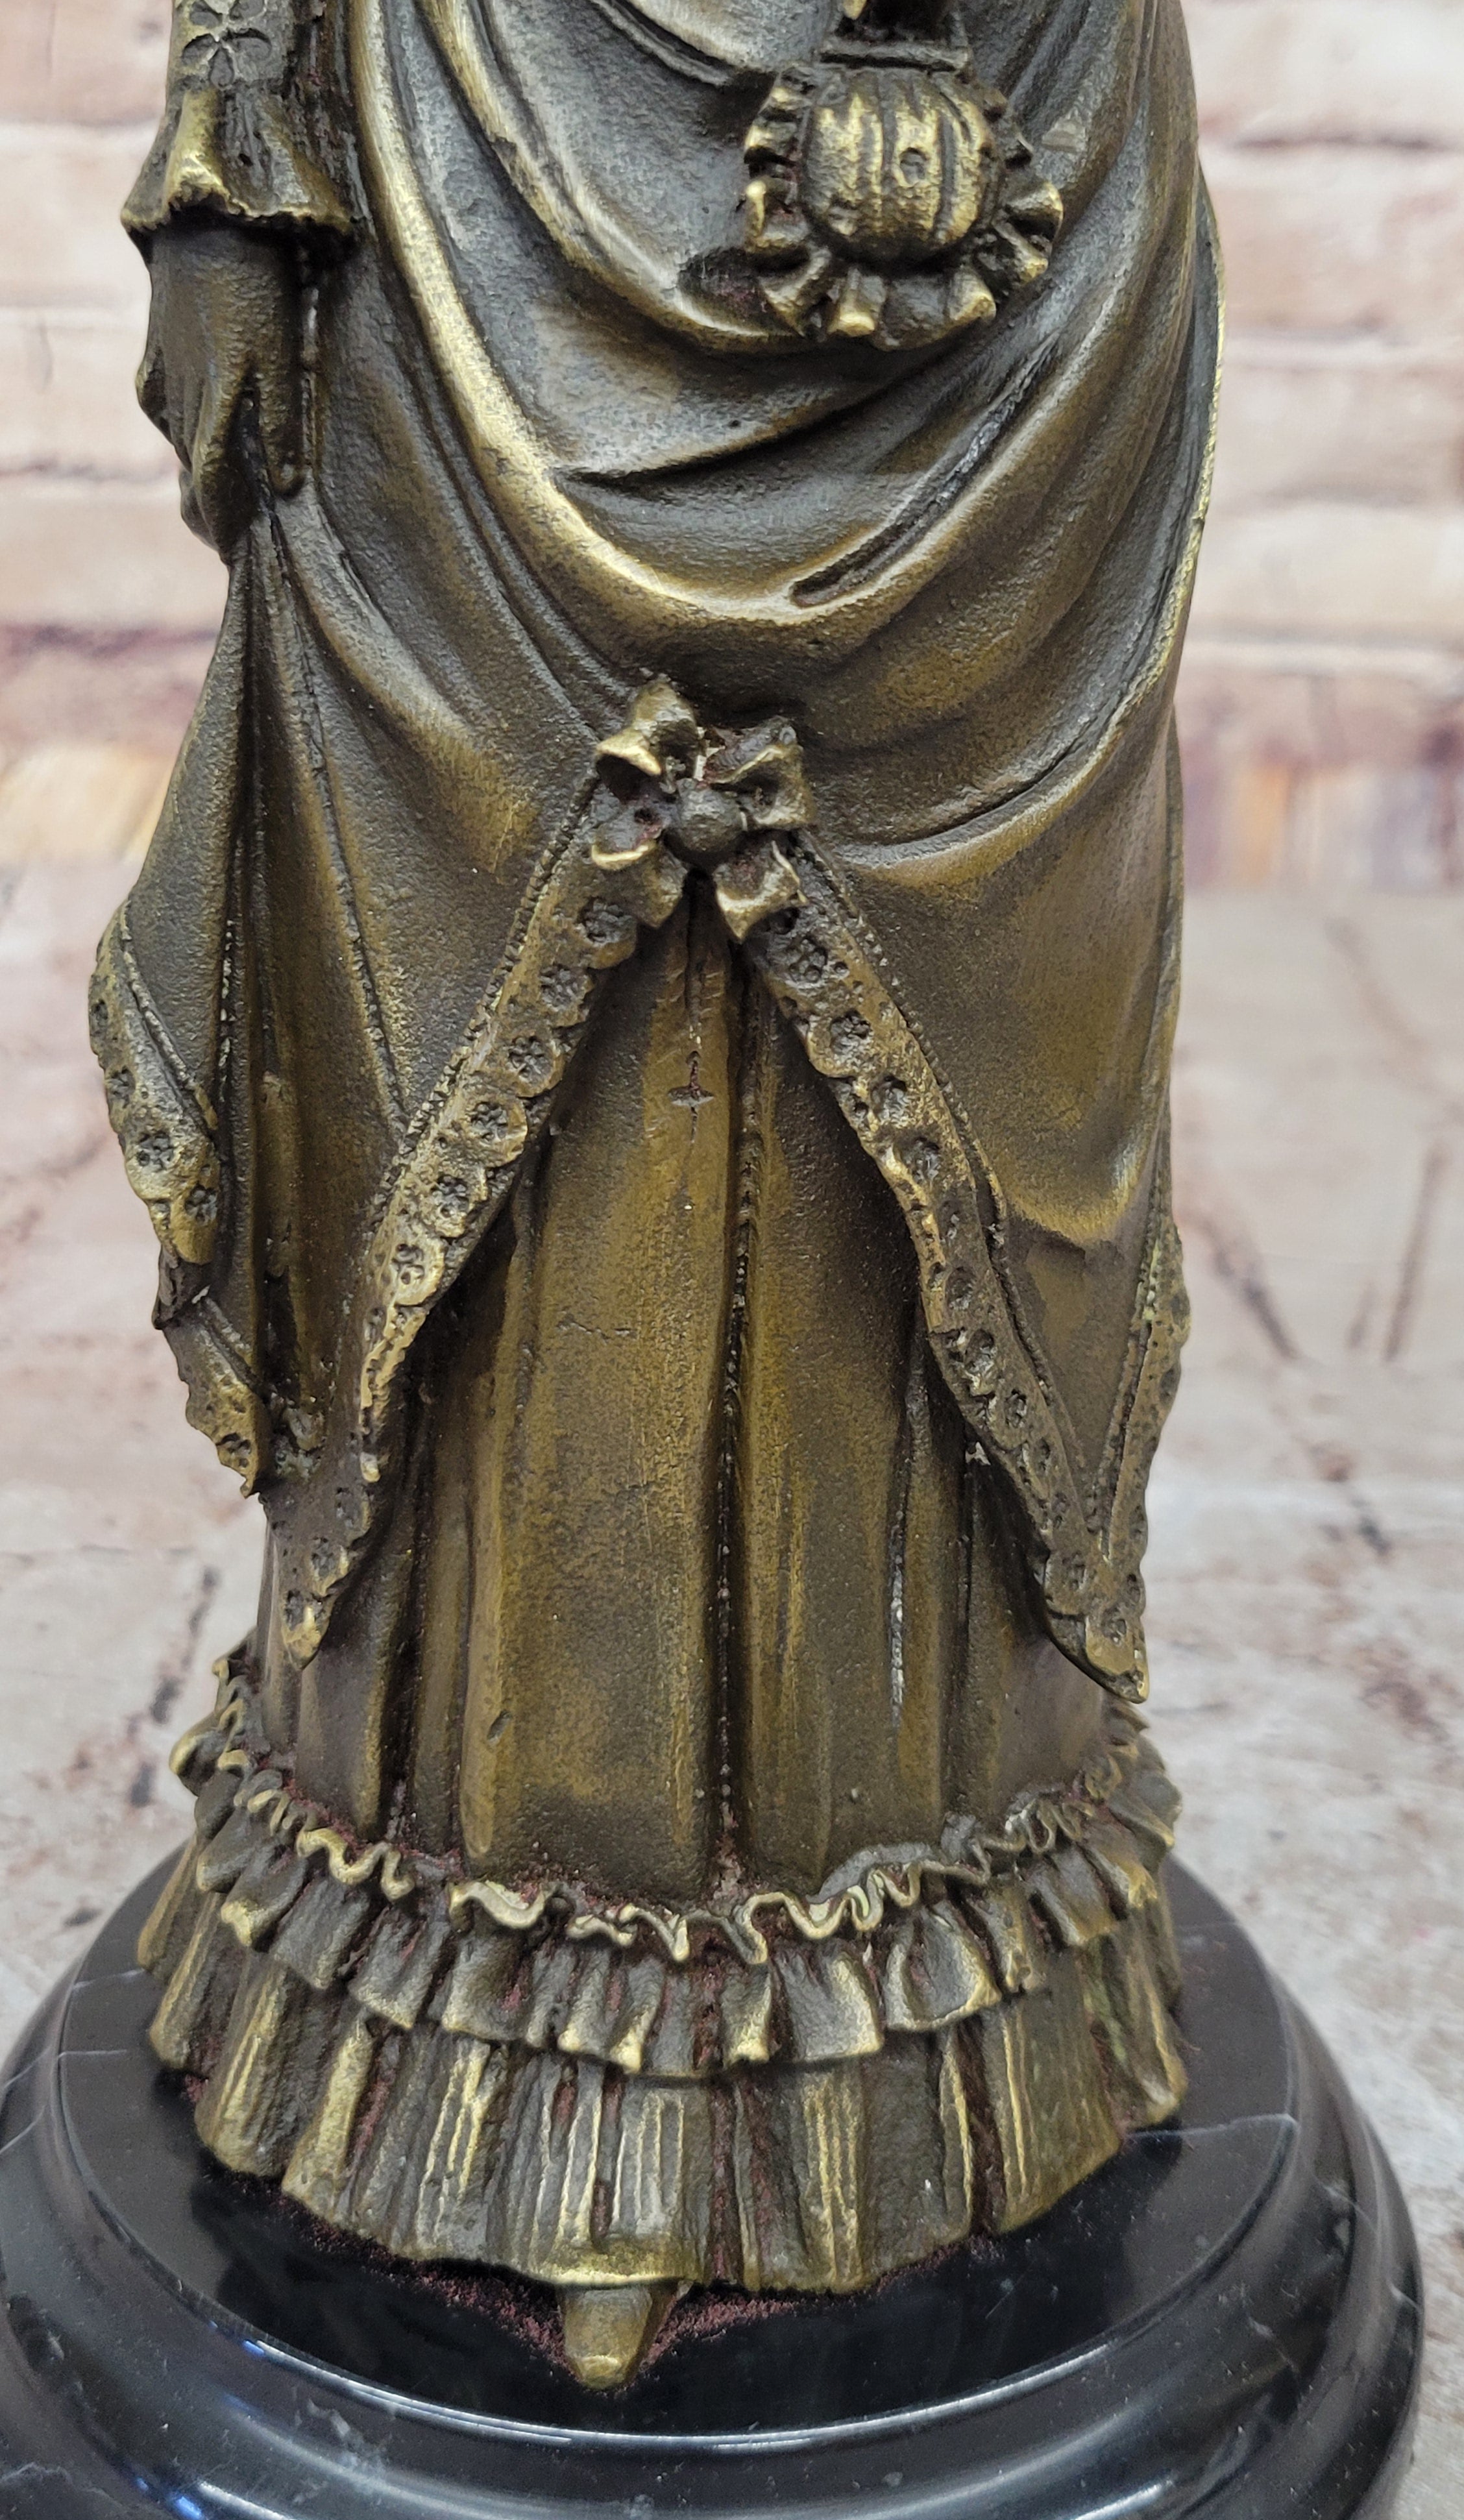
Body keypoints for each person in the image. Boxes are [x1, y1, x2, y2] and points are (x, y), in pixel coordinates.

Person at [99, 0, 1217, 2386]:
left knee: (907, 1072)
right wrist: (234, 123)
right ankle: (477, 1991)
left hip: (1010, 212)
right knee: (494, 1041)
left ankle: (906, 2002)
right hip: (482, 162)